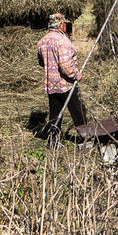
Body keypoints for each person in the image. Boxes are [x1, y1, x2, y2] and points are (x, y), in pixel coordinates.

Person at [37, 12, 87, 141]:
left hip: (51, 84)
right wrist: (76, 74)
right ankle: (85, 139)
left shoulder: (42, 41)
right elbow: (66, 67)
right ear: (61, 25)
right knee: (78, 111)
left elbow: (41, 62)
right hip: (66, 84)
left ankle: (53, 140)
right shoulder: (63, 41)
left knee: (55, 114)